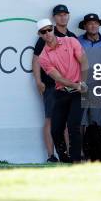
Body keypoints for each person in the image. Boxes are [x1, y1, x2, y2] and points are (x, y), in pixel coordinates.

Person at [37, 18, 88, 163]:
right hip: (62, 92)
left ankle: (76, 161)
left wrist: (82, 83)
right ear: (40, 34)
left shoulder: (70, 41)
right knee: (55, 130)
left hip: (78, 92)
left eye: (49, 29)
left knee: (73, 126)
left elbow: (84, 61)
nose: (47, 33)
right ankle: (65, 160)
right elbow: (58, 78)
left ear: (53, 28)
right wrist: (77, 85)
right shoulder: (43, 57)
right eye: (43, 31)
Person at [32, 4, 76, 162]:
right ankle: (51, 155)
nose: (62, 17)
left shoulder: (71, 36)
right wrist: (38, 81)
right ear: (54, 18)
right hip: (51, 85)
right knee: (50, 119)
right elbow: (36, 60)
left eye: (65, 14)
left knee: (67, 122)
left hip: (69, 86)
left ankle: (67, 155)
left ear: (68, 16)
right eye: (59, 15)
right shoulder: (47, 34)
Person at [77, 14, 101, 133]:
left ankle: (95, 151)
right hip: (80, 87)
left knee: (96, 122)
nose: (93, 25)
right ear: (85, 26)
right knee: (79, 122)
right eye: (90, 23)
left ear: (99, 25)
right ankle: (79, 151)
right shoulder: (77, 41)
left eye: (95, 23)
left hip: (99, 88)